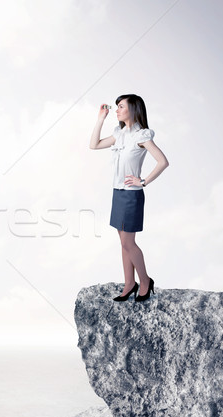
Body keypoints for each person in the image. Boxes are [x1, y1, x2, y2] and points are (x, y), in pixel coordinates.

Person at [89, 94, 169, 302]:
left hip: (131, 196)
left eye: (121, 106)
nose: (117, 109)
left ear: (134, 109)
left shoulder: (142, 136)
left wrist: (143, 181)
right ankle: (129, 283)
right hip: (117, 193)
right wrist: (100, 119)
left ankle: (144, 280)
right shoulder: (120, 133)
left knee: (128, 243)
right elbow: (94, 145)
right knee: (123, 243)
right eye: (116, 107)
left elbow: (162, 161)